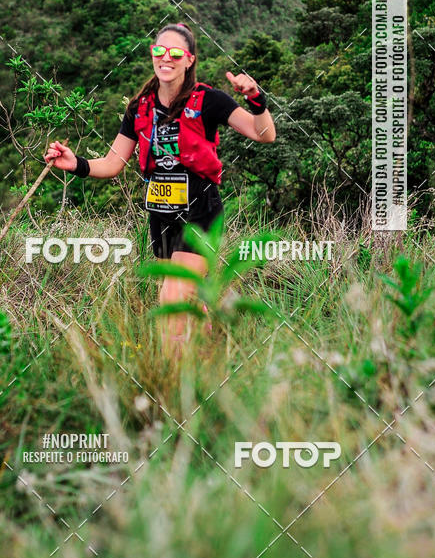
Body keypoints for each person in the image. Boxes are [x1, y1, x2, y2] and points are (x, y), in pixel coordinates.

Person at [44, 22, 276, 356]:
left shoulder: (209, 101)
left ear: (189, 60)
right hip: (161, 217)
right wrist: (75, 163)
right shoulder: (139, 107)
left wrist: (255, 98)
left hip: (200, 212)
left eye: (175, 53)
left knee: (170, 299)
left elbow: (264, 134)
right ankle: (208, 350)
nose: (166, 58)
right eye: (159, 51)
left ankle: (171, 387)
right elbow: (112, 163)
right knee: (180, 299)